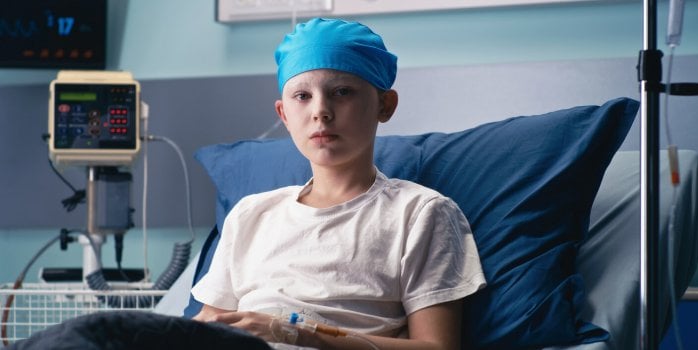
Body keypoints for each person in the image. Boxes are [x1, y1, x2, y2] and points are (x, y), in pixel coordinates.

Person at [191, 17, 485, 350]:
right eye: (302, 96)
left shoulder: (420, 214)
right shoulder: (251, 214)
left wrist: (293, 331)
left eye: (341, 92)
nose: (321, 111)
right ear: (284, 115)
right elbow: (205, 327)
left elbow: (438, 347)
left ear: (384, 105)